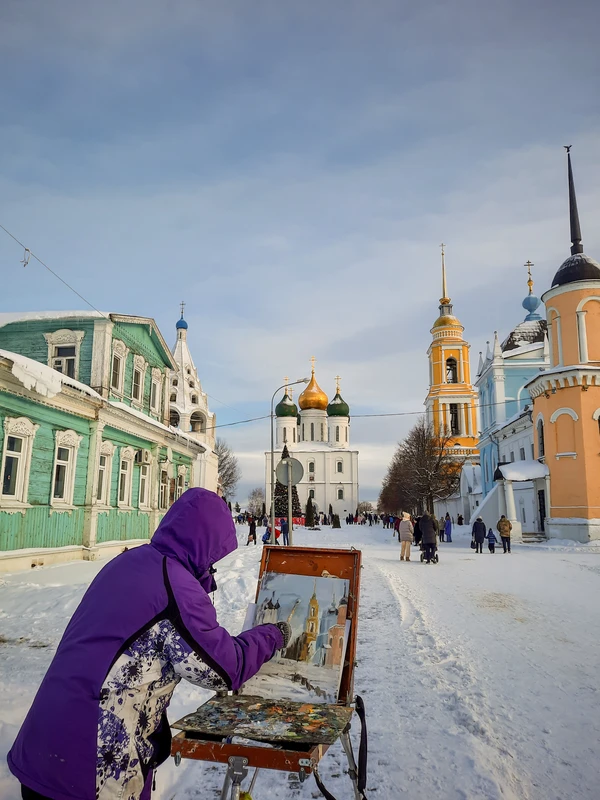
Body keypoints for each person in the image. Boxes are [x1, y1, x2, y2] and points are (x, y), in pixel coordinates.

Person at [8, 489, 290, 800]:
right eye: (215, 555)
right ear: (206, 543)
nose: (215, 564)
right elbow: (223, 669)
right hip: (93, 765)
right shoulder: (175, 585)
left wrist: (200, 580)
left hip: (45, 748)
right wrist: (273, 635)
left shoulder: (132, 561)